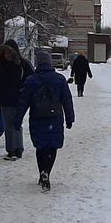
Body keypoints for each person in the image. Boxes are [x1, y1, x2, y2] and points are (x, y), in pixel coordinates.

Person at [17, 49, 75, 192]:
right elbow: (67, 100)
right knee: (52, 147)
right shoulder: (59, 79)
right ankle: (47, 172)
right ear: (50, 63)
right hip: (54, 118)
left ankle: (41, 172)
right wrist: (70, 118)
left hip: (37, 117)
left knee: (40, 147)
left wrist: (17, 119)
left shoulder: (31, 80)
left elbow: (23, 102)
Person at [0, 39, 33, 160]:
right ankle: (11, 150)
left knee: (16, 124)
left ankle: (18, 149)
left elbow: (31, 80)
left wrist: (24, 90)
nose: (7, 56)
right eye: (5, 53)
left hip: (19, 100)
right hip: (4, 99)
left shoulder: (23, 65)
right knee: (8, 125)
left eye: (9, 53)